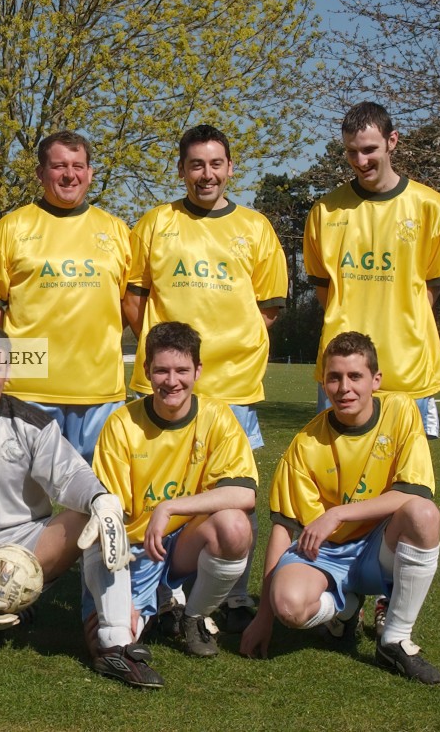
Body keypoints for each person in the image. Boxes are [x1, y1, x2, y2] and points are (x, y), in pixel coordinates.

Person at [0, 325, 163, 689]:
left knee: (98, 514)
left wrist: (100, 498)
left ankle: (116, 642)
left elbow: (69, 477)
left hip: (30, 545)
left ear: (7, 370)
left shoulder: (30, 422)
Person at [126, 124, 288, 632]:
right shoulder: (155, 222)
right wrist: (165, 355)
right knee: (152, 484)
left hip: (232, 385)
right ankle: (150, 581)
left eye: (216, 164)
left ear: (230, 168)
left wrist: (231, 346)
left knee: (232, 489)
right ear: (181, 170)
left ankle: (230, 595)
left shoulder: (256, 228)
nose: (206, 174)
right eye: (196, 164)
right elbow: (133, 297)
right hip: (167, 384)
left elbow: (269, 307)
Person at [241, 332, 440, 685]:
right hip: (329, 554)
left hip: (380, 545)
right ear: (323, 382)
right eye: (334, 377)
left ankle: (395, 639)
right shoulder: (305, 443)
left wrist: (337, 513)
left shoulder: (400, 411)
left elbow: (414, 491)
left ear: (375, 381)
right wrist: (265, 617)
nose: (344, 387)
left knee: (423, 514)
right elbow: (282, 527)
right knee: (289, 605)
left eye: (355, 377)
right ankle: (346, 610)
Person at [90, 322, 257, 663]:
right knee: (108, 641)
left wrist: (169, 507)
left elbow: (244, 493)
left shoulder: (218, 418)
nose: (172, 381)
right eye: (161, 371)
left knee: (235, 526)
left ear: (198, 370)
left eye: (182, 370)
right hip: (135, 551)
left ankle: (193, 616)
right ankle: (158, 601)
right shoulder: (122, 424)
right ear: (147, 372)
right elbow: (110, 516)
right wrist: (121, 594)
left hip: (186, 546)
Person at [0, 130, 137, 460]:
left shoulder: (118, 231)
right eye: (59, 165)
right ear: (40, 173)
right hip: (29, 390)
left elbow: (128, 305)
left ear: (90, 173)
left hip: (99, 391)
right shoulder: (11, 228)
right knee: (19, 501)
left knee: (101, 499)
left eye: (78, 165)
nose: (69, 174)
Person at [304, 102, 440, 439]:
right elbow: (323, 289)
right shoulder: (325, 211)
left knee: (406, 480)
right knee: (337, 469)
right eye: (351, 152)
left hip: (408, 367)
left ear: (392, 141)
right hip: (340, 366)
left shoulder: (430, 206)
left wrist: (400, 322)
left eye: (369, 149)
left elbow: (432, 286)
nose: (360, 161)